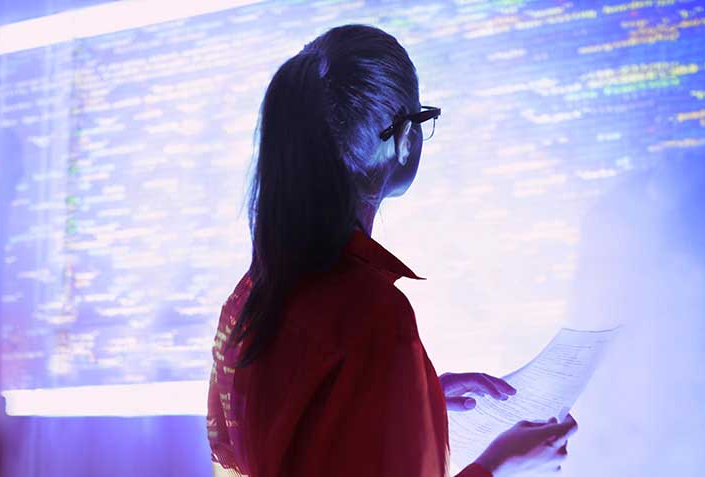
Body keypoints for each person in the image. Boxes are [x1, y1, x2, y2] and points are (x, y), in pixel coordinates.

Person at [206, 24, 577, 477]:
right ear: (404, 138)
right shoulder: (373, 314)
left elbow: (288, 438)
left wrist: (406, 397)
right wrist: (502, 463)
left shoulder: (246, 301)